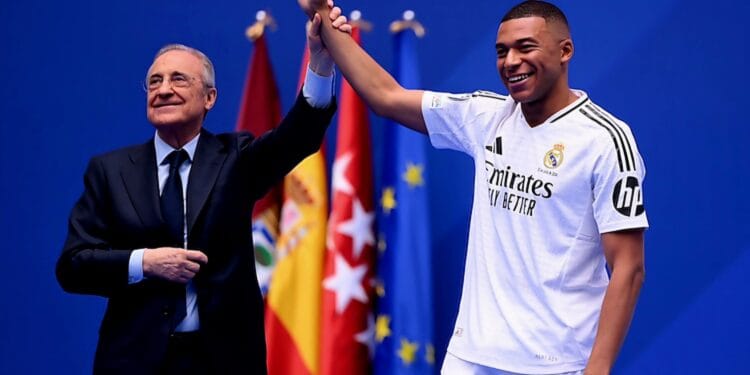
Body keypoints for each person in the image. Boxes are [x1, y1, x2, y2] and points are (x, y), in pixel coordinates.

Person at [300, 1, 647, 374]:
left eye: (525, 47)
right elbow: (386, 96)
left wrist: (598, 368)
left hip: (557, 363)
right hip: (470, 358)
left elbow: (628, 267)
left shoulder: (606, 140)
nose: (511, 61)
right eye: (502, 52)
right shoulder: (486, 117)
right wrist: (320, 10)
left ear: (565, 51)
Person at [56, 7, 351, 374]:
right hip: (134, 361)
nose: (163, 90)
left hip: (222, 362)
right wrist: (144, 262)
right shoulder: (110, 171)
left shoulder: (235, 158)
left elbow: (299, 137)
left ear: (209, 97)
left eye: (178, 79)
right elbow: (73, 266)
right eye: (154, 82)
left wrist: (321, 63)